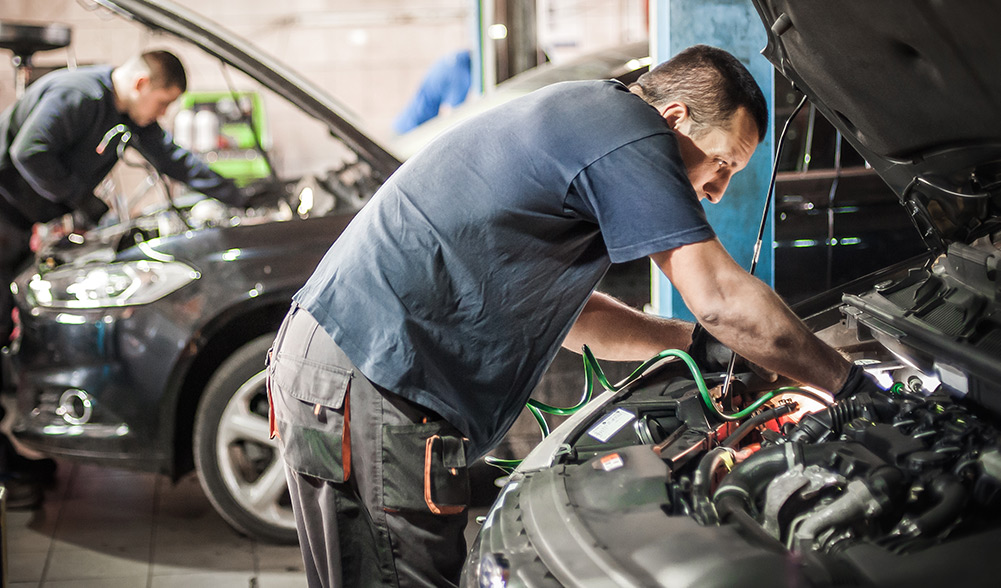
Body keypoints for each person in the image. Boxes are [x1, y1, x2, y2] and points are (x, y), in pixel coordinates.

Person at [268, 45, 859, 587]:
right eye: (723, 163)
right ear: (674, 119)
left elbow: (576, 319)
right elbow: (722, 298)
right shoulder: (629, 134)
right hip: (369, 379)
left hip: (334, 369)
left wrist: (691, 344)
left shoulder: (589, 117)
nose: (718, 189)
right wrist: (847, 384)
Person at [0, 49, 271, 508]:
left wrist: (239, 194)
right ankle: (5, 467)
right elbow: (29, 151)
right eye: (163, 104)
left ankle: (11, 460)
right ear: (142, 83)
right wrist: (80, 200)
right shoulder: (79, 94)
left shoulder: (126, 116)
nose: (162, 114)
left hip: (16, 224)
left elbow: (175, 160)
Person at [392, 49, 472, 134]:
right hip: (411, 131)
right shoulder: (461, 74)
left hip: (404, 126)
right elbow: (451, 118)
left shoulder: (453, 60)